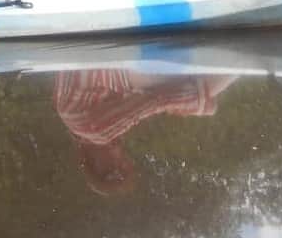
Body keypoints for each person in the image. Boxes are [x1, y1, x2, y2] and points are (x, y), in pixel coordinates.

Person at [53, 68, 237, 196]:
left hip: (111, 61)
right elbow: (145, 103)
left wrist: (200, 105)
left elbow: (153, 100)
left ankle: (250, 57)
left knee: (206, 87)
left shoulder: (97, 132)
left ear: (90, 164)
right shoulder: (71, 121)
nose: (120, 159)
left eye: (112, 171)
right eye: (125, 166)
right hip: (101, 55)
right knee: (190, 89)